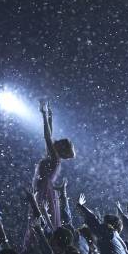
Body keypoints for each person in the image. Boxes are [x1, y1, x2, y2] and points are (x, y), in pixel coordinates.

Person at [26, 101, 76, 246]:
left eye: (59, 142)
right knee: (41, 220)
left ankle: (40, 245)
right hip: (43, 190)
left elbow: (47, 137)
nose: (56, 141)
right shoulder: (53, 158)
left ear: (60, 148)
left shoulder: (54, 158)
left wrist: (44, 115)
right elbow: (50, 136)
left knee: (40, 220)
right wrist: (49, 119)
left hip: (44, 192)